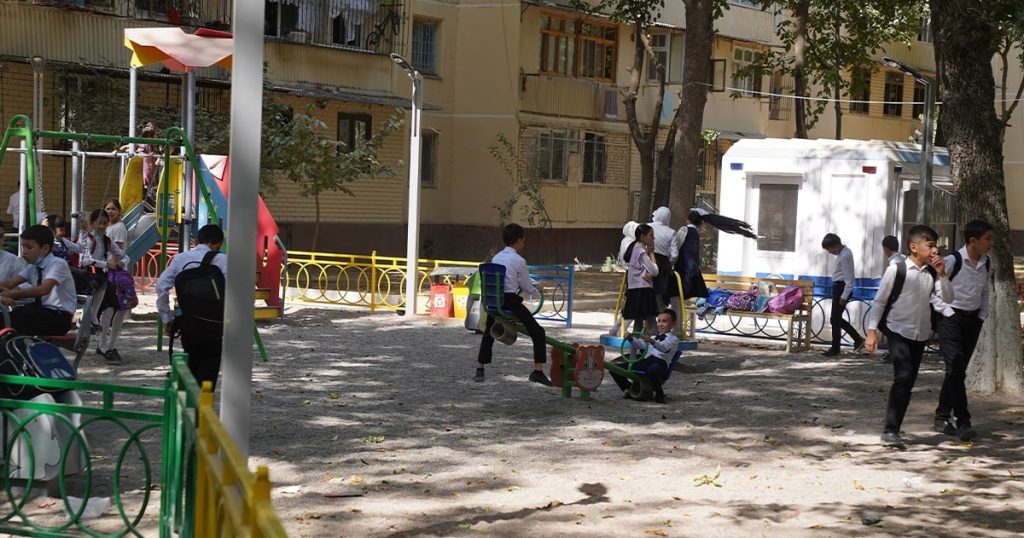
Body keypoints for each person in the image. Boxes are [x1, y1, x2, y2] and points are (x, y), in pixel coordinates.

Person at [865, 225, 954, 447]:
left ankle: (894, 428)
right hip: (898, 330)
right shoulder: (897, 269)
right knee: (903, 376)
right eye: (930, 245)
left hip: (921, 333)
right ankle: (890, 431)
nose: (934, 250)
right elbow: (880, 301)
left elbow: (948, 299)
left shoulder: (932, 272)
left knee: (909, 380)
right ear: (913, 247)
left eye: (935, 246)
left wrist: (942, 274)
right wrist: (872, 332)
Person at [930, 220, 993, 442]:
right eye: (987, 239)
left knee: (957, 370)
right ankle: (963, 420)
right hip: (951, 319)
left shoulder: (985, 262)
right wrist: (948, 314)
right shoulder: (952, 260)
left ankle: (941, 416)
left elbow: (984, 291)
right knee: (956, 368)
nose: (991, 243)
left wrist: (982, 315)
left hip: (973, 320)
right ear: (973, 240)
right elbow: (934, 292)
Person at [475, 223, 553, 386]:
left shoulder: (497, 258)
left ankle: (480, 369)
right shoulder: (519, 260)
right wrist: (537, 289)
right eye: (523, 240)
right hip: (509, 302)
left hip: (494, 301)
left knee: (488, 332)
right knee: (538, 331)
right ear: (519, 241)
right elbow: (526, 286)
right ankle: (538, 371)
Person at [156, 224, 227, 389]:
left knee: (191, 365)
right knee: (209, 370)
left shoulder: (180, 258)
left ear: (196, 241)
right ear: (219, 243)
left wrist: (166, 318)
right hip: (214, 326)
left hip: (188, 324)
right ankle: (204, 402)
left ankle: (189, 399)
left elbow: (161, 286)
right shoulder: (222, 260)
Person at [0, 225, 76, 336]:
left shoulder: (58, 264)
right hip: (39, 311)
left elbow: (43, 290)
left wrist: (12, 294)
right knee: (5, 317)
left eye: (29, 247)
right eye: (23, 247)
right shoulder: (33, 267)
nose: (24, 251)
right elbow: (9, 283)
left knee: (20, 319)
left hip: (58, 317)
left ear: (45, 248)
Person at [81, 208, 130, 363]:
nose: (101, 226)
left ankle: (104, 344)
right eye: (98, 223)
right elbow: (84, 260)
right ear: (92, 223)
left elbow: (124, 255)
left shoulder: (107, 240)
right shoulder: (88, 239)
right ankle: (90, 321)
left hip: (102, 277)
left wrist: (122, 262)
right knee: (103, 303)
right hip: (89, 276)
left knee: (112, 306)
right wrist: (105, 264)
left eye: (104, 223)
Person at [609, 308, 679, 404]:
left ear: (673, 324)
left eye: (664, 321)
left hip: (660, 363)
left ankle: (659, 393)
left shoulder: (674, 340)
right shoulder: (653, 337)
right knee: (614, 368)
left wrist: (652, 341)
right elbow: (640, 344)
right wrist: (631, 338)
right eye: (659, 321)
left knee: (653, 370)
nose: (660, 324)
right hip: (646, 362)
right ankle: (628, 388)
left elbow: (665, 348)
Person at [821, 233, 864, 356]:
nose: (829, 252)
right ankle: (848, 342)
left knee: (835, 319)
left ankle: (841, 346)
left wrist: (844, 296)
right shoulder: (843, 253)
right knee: (835, 319)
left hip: (842, 288)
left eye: (829, 249)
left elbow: (849, 279)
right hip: (839, 287)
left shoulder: (844, 255)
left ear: (835, 246)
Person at [622, 224, 659, 335]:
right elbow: (655, 271)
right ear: (642, 236)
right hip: (643, 288)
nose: (653, 238)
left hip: (634, 287)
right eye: (651, 235)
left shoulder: (635, 249)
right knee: (648, 319)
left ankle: (636, 342)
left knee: (638, 320)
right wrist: (651, 253)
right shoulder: (641, 252)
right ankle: (652, 343)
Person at [649, 207, 674, 309]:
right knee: (660, 293)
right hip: (663, 266)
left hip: (647, 262)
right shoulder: (671, 232)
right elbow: (674, 254)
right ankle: (661, 313)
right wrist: (668, 264)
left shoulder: (647, 227)